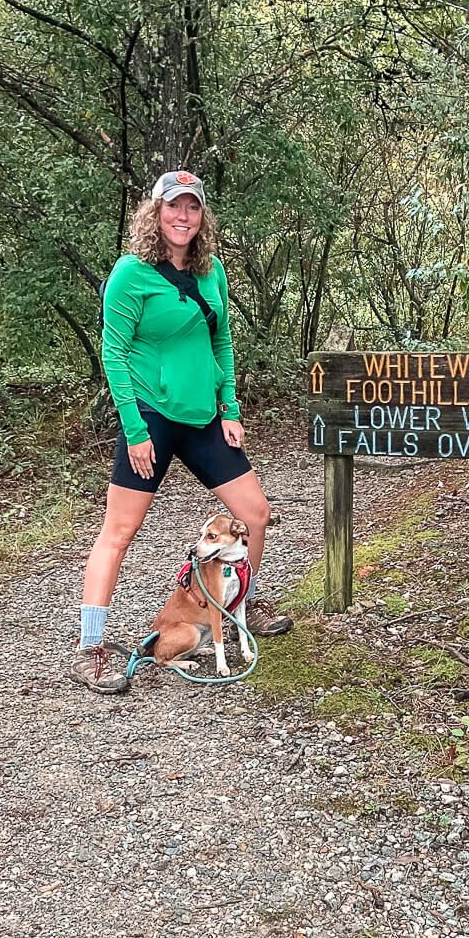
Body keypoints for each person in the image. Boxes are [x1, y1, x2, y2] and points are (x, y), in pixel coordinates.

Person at [73, 169, 292, 694]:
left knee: (254, 512)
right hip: (150, 417)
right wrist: (133, 429)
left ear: (202, 217)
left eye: (192, 208)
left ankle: (239, 606)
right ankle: (91, 645)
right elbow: (114, 351)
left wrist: (231, 406)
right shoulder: (131, 274)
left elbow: (222, 345)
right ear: (155, 213)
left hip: (204, 419)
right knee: (119, 531)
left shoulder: (211, 271)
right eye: (174, 207)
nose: (183, 217)